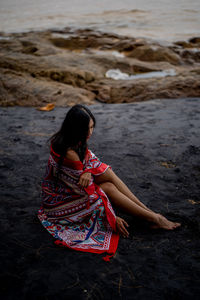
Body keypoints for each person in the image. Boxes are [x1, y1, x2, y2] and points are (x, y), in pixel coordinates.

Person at [38, 104, 180, 261]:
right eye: (86, 129)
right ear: (75, 128)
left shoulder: (72, 139)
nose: (90, 132)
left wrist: (87, 171)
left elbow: (89, 159)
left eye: (92, 127)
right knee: (108, 188)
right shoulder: (69, 152)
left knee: (106, 172)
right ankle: (154, 218)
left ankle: (148, 212)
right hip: (61, 201)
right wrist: (110, 215)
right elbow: (84, 190)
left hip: (74, 188)